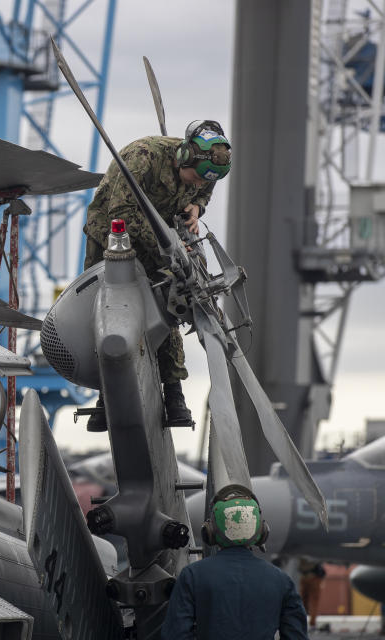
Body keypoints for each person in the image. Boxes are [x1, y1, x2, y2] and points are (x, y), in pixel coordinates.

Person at [83, 120, 232, 431]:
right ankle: (104, 398)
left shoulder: (209, 165)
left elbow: (206, 185)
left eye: (200, 183)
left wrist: (197, 207)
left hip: (161, 236)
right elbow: (121, 213)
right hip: (111, 235)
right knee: (105, 310)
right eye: (191, 180)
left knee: (169, 303)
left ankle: (173, 393)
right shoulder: (143, 157)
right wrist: (168, 254)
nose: (195, 184)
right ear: (184, 156)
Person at [161, 485, 308, 640]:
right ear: (261, 531)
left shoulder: (192, 576)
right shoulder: (281, 580)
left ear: (210, 531)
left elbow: (175, 635)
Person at [298, 557, 326, 630]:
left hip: (305, 577)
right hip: (313, 577)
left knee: (304, 602)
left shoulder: (302, 551)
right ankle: (312, 624)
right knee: (313, 602)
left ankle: (302, 623)